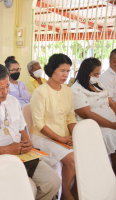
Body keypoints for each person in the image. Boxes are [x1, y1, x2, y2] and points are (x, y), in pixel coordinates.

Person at [0, 63, 61, 200]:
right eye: (1, 89)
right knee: (26, 189)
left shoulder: (13, 102)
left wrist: (27, 142)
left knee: (53, 181)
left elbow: (21, 129)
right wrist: (5, 150)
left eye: (8, 86)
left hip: (20, 154)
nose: (6, 92)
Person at [30, 54, 77, 200]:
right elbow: (39, 123)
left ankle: (75, 189)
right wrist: (60, 139)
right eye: (62, 70)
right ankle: (65, 193)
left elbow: (70, 117)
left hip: (63, 137)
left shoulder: (68, 91)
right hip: (43, 137)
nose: (65, 75)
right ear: (51, 70)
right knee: (72, 158)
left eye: (68, 71)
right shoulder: (40, 92)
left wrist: (76, 136)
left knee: (85, 153)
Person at [71, 57, 116, 173]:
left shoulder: (98, 84)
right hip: (95, 126)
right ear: (86, 73)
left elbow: (110, 103)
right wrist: (112, 125)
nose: (97, 77)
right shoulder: (76, 89)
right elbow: (87, 114)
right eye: (95, 74)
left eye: (98, 74)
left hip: (111, 123)